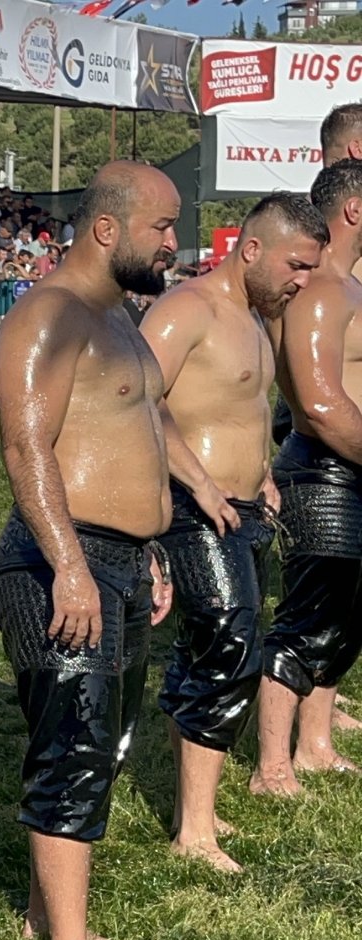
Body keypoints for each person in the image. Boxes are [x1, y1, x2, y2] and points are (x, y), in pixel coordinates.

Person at [0, 162, 178, 940]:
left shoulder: (122, 322)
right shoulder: (48, 315)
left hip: (122, 562)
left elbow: (134, 440)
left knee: (100, 744)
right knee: (73, 748)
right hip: (60, 559)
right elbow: (27, 447)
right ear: (108, 229)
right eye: (163, 227)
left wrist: (153, 550)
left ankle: (43, 915)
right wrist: (70, 564)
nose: (173, 243)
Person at [138, 193, 327, 870]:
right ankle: (193, 833)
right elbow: (137, 397)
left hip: (244, 508)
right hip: (196, 509)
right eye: (296, 265)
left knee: (205, 653)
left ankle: (197, 808)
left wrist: (262, 479)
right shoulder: (189, 309)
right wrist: (199, 481)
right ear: (252, 249)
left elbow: (242, 411)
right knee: (229, 653)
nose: (303, 280)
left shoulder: (253, 316)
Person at [253, 159, 362, 798]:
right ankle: (271, 767)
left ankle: (314, 745)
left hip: (349, 470)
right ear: (353, 210)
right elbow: (319, 404)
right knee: (308, 617)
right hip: (323, 472)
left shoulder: (345, 285)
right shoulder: (322, 289)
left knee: (346, 615)